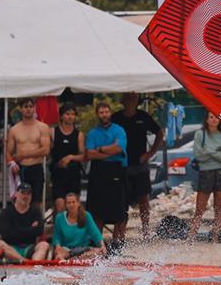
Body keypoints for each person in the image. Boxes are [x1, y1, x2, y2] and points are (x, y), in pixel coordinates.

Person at [111, 93, 163, 239]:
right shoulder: (116, 118)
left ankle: (146, 230)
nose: (130, 100)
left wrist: (150, 153)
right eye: (128, 98)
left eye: (133, 98)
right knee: (121, 200)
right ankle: (120, 232)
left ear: (137, 100)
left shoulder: (143, 116)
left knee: (143, 199)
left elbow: (159, 133)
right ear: (123, 100)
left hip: (140, 164)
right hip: (121, 165)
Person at [85, 102, 129, 244]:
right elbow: (89, 154)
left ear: (110, 113)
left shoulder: (119, 130)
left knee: (119, 209)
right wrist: (108, 150)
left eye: (106, 111)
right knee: (97, 210)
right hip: (98, 172)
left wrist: (100, 149)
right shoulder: (92, 133)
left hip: (117, 170)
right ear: (97, 114)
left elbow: (118, 149)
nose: (104, 114)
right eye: (101, 112)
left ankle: (117, 242)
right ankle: (99, 242)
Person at [189, 112, 221, 242]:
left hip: (220, 172)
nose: (214, 120)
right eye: (211, 117)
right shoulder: (200, 134)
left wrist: (208, 150)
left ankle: (215, 235)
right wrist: (217, 152)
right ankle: (191, 237)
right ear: (206, 120)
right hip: (205, 172)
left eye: (216, 117)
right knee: (200, 207)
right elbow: (198, 155)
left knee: (218, 207)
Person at [7, 97, 51, 207]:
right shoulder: (14, 130)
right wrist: (12, 164)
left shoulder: (42, 127)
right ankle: (21, 224)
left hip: (36, 167)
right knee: (21, 201)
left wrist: (24, 154)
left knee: (36, 202)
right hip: (21, 169)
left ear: (35, 108)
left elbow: (45, 150)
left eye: (31, 107)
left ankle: (37, 223)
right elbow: (8, 151)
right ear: (21, 109)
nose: (28, 109)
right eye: (26, 107)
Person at [0, 182, 49, 261]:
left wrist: (16, 229)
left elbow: (39, 230)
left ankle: (34, 264)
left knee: (44, 245)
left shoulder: (35, 211)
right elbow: (6, 234)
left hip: (29, 247)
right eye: (23, 193)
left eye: (28, 194)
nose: (25, 196)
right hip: (10, 249)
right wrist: (30, 229)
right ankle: (24, 261)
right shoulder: (6, 212)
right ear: (16, 194)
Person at [50, 103, 86, 213]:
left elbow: (83, 156)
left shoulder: (79, 134)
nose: (70, 116)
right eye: (67, 114)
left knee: (73, 207)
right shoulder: (52, 132)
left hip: (73, 174)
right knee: (60, 206)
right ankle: (59, 229)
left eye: (73, 114)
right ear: (61, 116)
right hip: (58, 174)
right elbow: (47, 150)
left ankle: (73, 229)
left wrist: (71, 157)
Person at [52, 192, 106, 259]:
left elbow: (95, 233)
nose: (71, 205)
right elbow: (57, 237)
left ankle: (77, 260)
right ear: (65, 205)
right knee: (59, 255)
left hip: (83, 250)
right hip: (66, 249)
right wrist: (58, 247)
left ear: (78, 203)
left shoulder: (86, 215)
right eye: (69, 203)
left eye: (73, 202)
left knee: (98, 252)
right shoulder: (59, 218)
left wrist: (102, 246)